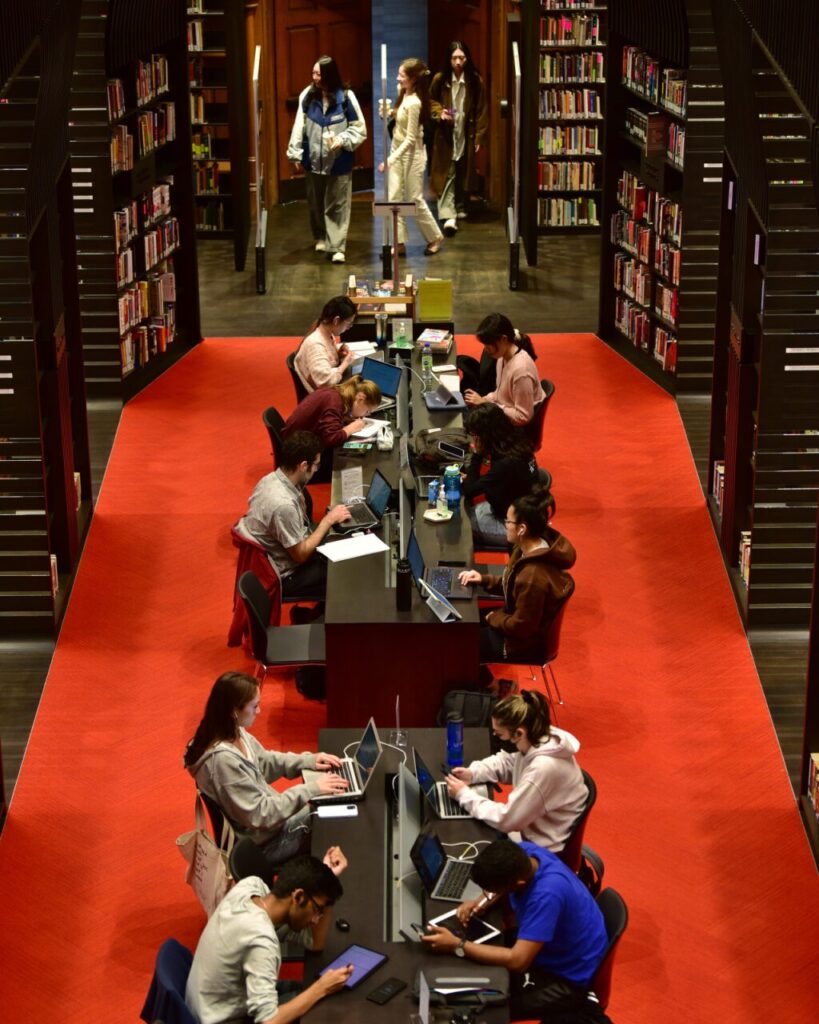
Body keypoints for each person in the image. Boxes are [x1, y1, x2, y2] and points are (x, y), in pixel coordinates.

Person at [421, 839, 609, 1023]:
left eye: (492, 888)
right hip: (557, 949)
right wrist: (480, 903)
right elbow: (501, 889)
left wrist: (458, 945)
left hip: (568, 977)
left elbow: (518, 960)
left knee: (483, 1002)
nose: (490, 891)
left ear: (518, 884)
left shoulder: (546, 896)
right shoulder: (525, 853)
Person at [184, 672, 351, 865]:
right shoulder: (222, 763)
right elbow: (260, 815)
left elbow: (264, 762)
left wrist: (308, 761)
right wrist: (311, 789)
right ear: (234, 711)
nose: (259, 711)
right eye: (254, 706)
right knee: (335, 818)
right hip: (265, 845)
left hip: (270, 829)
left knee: (332, 806)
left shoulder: (231, 731)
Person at [186, 852, 352, 1024]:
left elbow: (315, 943)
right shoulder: (262, 942)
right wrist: (321, 989)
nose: (316, 920)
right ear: (298, 897)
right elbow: (268, 1022)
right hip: (220, 1019)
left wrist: (327, 882)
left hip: (205, 1005)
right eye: (317, 910)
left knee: (309, 993)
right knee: (321, 1006)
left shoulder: (249, 886)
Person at [445, 690, 588, 853]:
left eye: (499, 734)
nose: (496, 737)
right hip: (530, 828)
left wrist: (463, 795)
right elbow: (508, 763)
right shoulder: (538, 736)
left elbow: (507, 820)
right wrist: (473, 773)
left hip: (542, 851)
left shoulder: (544, 768)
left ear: (519, 733)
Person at [458, 486, 575, 665]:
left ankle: (491, 685)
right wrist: (484, 579)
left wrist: (493, 617)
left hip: (519, 644)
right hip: (514, 622)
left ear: (522, 529)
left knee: (457, 644)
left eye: (508, 522)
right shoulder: (530, 547)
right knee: (461, 623)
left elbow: (521, 627)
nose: (505, 526)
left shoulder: (533, 576)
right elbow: (513, 582)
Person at [235, 431, 351, 601]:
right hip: (287, 574)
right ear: (303, 466)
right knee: (343, 570)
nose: (317, 470)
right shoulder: (282, 505)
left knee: (342, 543)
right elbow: (301, 555)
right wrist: (328, 521)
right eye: (316, 465)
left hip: (284, 551)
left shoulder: (270, 479)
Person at [286, 55, 367, 264]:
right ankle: (320, 236)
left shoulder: (346, 98)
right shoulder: (307, 96)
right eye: (313, 73)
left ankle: (337, 246)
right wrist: (295, 153)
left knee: (338, 204)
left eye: (318, 73)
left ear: (329, 75)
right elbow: (298, 126)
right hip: (313, 161)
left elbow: (359, 129)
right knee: (316, 203)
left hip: (338, 162)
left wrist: (342, 139)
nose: (314, 77)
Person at [378, 58, 445, 255]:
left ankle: (435, 236)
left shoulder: (416, 102)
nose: (397, 78)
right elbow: (400, 118)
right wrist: (388, 112)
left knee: (414, 199)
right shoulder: (403, 94)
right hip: (398, 151)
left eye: (402, 75)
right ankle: (398, 243)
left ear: (413, 79)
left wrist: (390, 160)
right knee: (394, 198)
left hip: (412, 155)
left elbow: (410, 139)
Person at [429, 40, 488, 236]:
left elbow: (481, 109)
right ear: (449, 59)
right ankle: (448, 216)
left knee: (463, 166)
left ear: (467, 58)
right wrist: (440, 113)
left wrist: (479, 136)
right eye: (454, 58)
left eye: (461, 57)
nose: (458, 62)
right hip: (446, 132)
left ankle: (460, 204)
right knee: (448, 170)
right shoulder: (440, 79)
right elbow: (430, 101)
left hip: (466, 130)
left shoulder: (474, 80)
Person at [461, 402, 537, 545]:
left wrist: (477, 454)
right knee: (465, 511)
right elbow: (505, 479)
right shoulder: (517, 438)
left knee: (460, 526)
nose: (474, 440)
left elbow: (469, 490)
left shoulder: (505, 464)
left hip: (512, 524)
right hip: (521, 512)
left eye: (475, 436)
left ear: (485, 435)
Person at [282, 376, 381, 482]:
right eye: (367, 411)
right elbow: (331, 438)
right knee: (353, 466)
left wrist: (346, 421)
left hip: (298, 440)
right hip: (299, 456)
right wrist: (351, 428)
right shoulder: (334, 402)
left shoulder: (337, 393)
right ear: (360, 398)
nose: (366, 415)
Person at [464, 313, 541, 426]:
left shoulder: (521, 370)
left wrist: (486, 404)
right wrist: (482, 399)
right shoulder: (502, 358)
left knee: (467, 427)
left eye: (488, 346)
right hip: (503, 416)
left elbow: (523, 417)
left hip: (514, 429)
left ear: (503, 339)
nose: (486, 350)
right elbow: (499, 395)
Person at [293, 295, 357, 393]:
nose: (349, 327)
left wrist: (338, 352)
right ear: (336, 320)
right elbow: (325, 382)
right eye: (348, 323)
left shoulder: (326, 333)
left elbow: (324, 357)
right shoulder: (315, 345)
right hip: (321, 398)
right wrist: (345, 363)